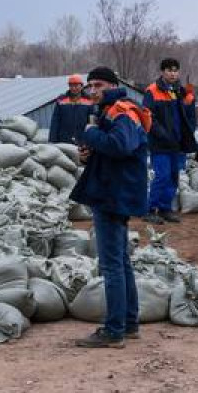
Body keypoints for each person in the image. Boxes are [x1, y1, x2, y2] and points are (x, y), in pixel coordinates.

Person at [71, 66, 150, 348]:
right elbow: (112, 151)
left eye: (99, 84)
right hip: (113, 190)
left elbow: (120, 146)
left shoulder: (121, 110)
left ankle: (114, 330)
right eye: (90, 85)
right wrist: (88, 155)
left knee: (111, 265)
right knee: (120, 260)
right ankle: (128, 323)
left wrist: (91, 134)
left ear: (113, 85)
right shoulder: (110, 110)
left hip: (113, 194)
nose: (93, 90)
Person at [144, 58, 198, 223]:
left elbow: (189, 117)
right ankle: (151, 209)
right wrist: (162, 134)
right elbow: (148, 116)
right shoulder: (152, 91)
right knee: (162, 176)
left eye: (175, 70)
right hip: (160, 143)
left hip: (177, 143)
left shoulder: (181, 91)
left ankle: (165, 208)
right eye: (169, 70)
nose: (173, 73)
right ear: (162, 72)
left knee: (174, 176)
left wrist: (189, 101)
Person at [48, 75, 91, 145]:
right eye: (71, 86)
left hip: (82, 138)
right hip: (63, 138)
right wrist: (52, 139)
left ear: (82, 86)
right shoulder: (61, 99)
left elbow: (91, 122)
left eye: (76, 85)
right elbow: (55, 120)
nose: (74, 88)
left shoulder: (89, 100)